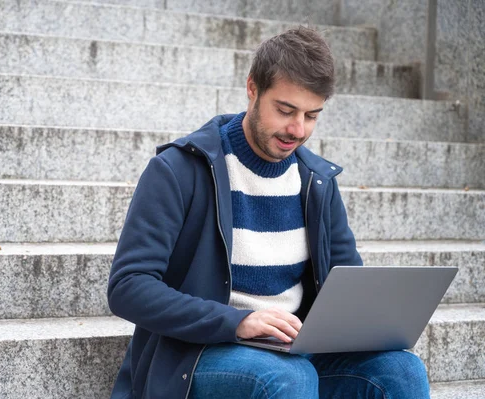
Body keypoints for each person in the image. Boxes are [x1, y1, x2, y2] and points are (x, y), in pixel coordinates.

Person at [107, 26, 430, 399]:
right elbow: (128, 287)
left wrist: (374, 320)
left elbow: (347, 285)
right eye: (285, 110)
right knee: (288, 379)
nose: (297, 129)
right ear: (252, 89)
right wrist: (238, 322)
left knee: (401, 371)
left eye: (312, 115)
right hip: (198, 353)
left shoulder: (316, 182)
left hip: (290, 350)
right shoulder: (178, 170)